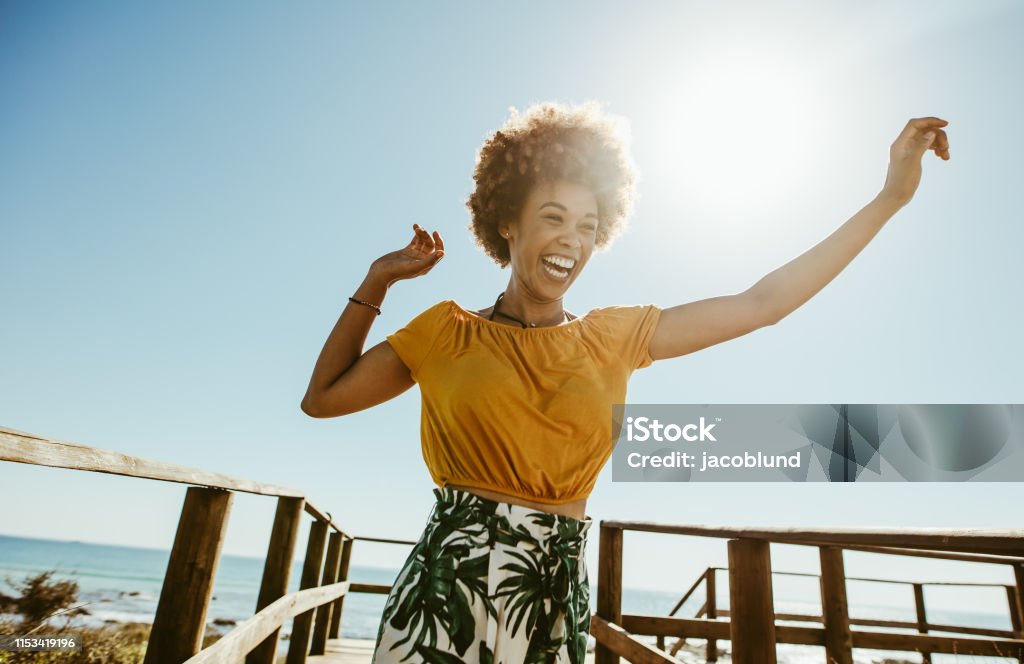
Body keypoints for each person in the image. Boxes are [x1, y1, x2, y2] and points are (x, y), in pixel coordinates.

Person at [300, 101, 950, 663]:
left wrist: (891, 197)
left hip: (549, 594)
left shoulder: (614, 337)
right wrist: (378, 279)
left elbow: (763, 303)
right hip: (444, 587)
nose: (571, 241)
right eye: (553, 217)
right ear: (507, 222)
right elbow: (323, 399)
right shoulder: (445, 332)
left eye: (587, 227)